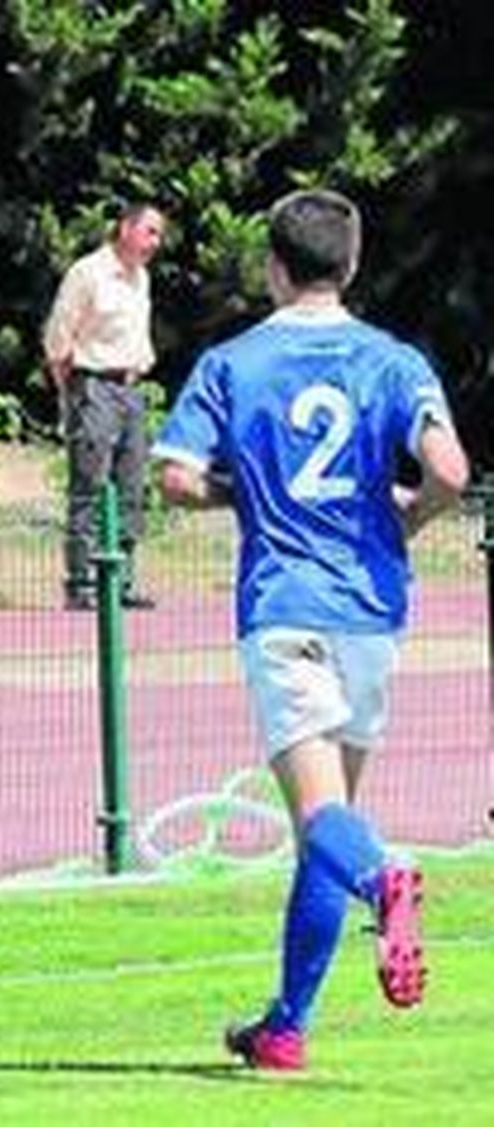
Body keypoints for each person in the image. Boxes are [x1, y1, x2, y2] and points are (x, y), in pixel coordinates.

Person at [152, 188, 467, 1072]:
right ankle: (285, 1026)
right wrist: (400, 523)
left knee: (329, 823)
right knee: (324, 824)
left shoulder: (233, 362)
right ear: (352, 264)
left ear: (272, 265)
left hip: (286, 603)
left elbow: (174, 477)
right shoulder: (393, 359)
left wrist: (237, 493)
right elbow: (449, 468)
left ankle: (386, 881)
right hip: (371, 609)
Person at [42, 202, 166, 611]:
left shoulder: (141, 278)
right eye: (150, 232)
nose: (155, 242)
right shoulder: (88, 273)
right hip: (93, 383)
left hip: (131, 387)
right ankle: (82, 584)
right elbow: (59, 337)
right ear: (125, 228)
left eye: (158, 234)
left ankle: (121, 581)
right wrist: (72, 391)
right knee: (90, 486)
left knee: (131, 486)